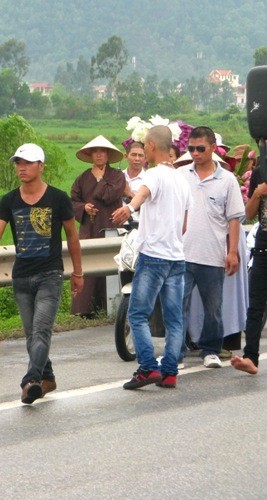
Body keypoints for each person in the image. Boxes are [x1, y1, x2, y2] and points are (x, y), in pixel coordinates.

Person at [0, 143, 84, 404]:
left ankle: (31, 380)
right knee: (31, 333)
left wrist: (78, 273)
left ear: (41, 166)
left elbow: (72, 237)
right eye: (18, 163)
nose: (21, 168)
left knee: (40, 330)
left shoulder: (58, 198)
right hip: (22, 276)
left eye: (27, 163)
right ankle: (46, 378)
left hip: (50, 274)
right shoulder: (9, 200)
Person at [111, 125, 192, 389]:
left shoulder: (154, 175)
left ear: (153, 147)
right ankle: (169, 372)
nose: (143, 150)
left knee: (137, 313)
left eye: (145, 145)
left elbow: (142, 196)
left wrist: (129, 207)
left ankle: (147, 367)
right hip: (177, 258)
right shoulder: (183, 180)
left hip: (154, 256)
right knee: (174, 318)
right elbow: (184, 226)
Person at [176, 126, 245, 369]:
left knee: (213, 308)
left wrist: (232, 252)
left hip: (213, 255)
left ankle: (211, 350)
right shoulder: (181, 175)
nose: (195, 153)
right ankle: (176, 354)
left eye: (200, 148)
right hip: (181, 254)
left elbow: (234, 219)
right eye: (191, 148)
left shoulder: (227, 180)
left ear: (213, 148)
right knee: (178, 307)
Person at [70, 135, 126, 316]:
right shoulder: (82, 178)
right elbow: (72, 202)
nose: (99, 155)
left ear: (108, 155)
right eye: (95, 152)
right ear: (91, 155)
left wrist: (101, 181)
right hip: (89, 229)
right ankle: (84, 310)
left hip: (110, 227)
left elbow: (109, 195)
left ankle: (110, 308)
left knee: (110, 266)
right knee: (87, 266)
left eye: (103, 152)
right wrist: (84, 207)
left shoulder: (117, 176)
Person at [232, 152, 267, 375]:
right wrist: (257, 193)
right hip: (263, 246)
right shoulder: (260, 171)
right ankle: (250, 358)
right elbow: (248, 214)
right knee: (255, 305)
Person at [122, 141, 146, 221]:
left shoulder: (148, 180)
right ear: (126, 156)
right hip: (118, 226)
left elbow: (149, 208)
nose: (137, 159)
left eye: (141, 155)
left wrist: (129, 193)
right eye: (133, 155)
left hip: (140, 226)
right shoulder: (118, 177)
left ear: (145, 158)